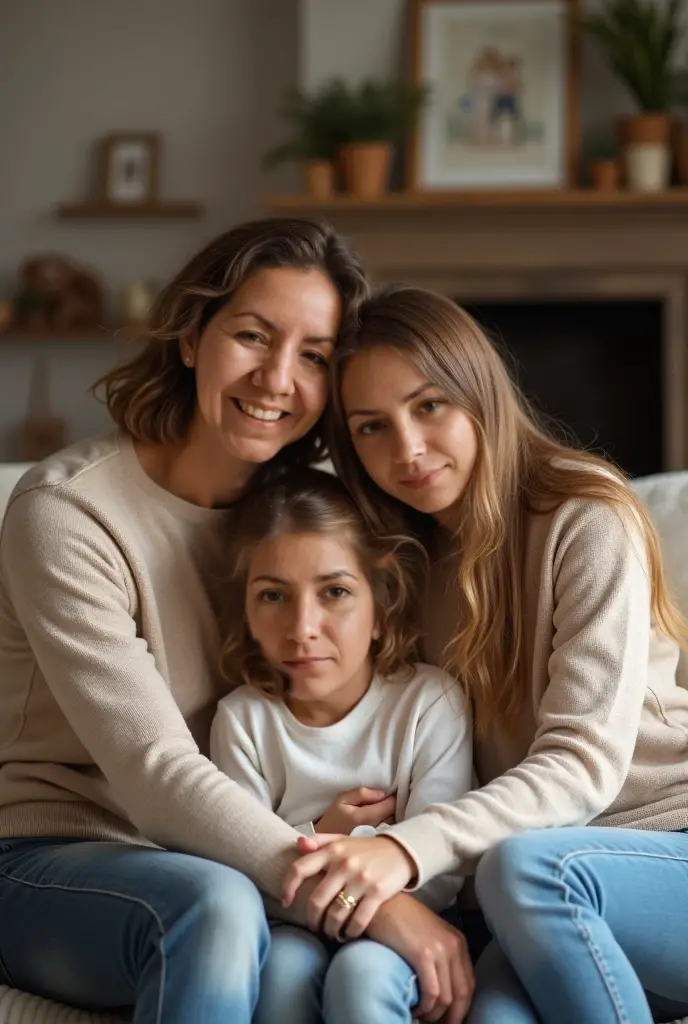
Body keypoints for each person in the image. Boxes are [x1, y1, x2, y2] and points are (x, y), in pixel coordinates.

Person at [0, 226, 471, 1024]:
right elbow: (153, 771)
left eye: (316, 356)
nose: (278, 378)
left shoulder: (300, 517)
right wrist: (374, 902)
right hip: (48, 860)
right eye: (253, 335)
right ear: (191, 336)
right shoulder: (69, 514)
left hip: (228, 867)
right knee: (215, 907)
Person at [282, 285, 688, 1024]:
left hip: (661, 849)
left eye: (429, 405)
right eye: (372, 427)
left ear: (480, 392)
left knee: (529, 869)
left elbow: (583, 764)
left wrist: (406, 851)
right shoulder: (398, 563)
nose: (406, 449)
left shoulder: (586, 517)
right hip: (528, 897)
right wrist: (343, 826)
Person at [210, 467, 473, 1024]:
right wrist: (326, 834)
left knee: (362, 976)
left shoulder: (429, 701)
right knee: (279, 974)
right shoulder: (242, 721)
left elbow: (444, 865)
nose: (302, 627)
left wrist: (311, 860)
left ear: (381, 604)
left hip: (404, 925)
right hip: (290, 928)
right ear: (247, 614)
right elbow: (236, 872)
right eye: (273, 595)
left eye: (335, 592)